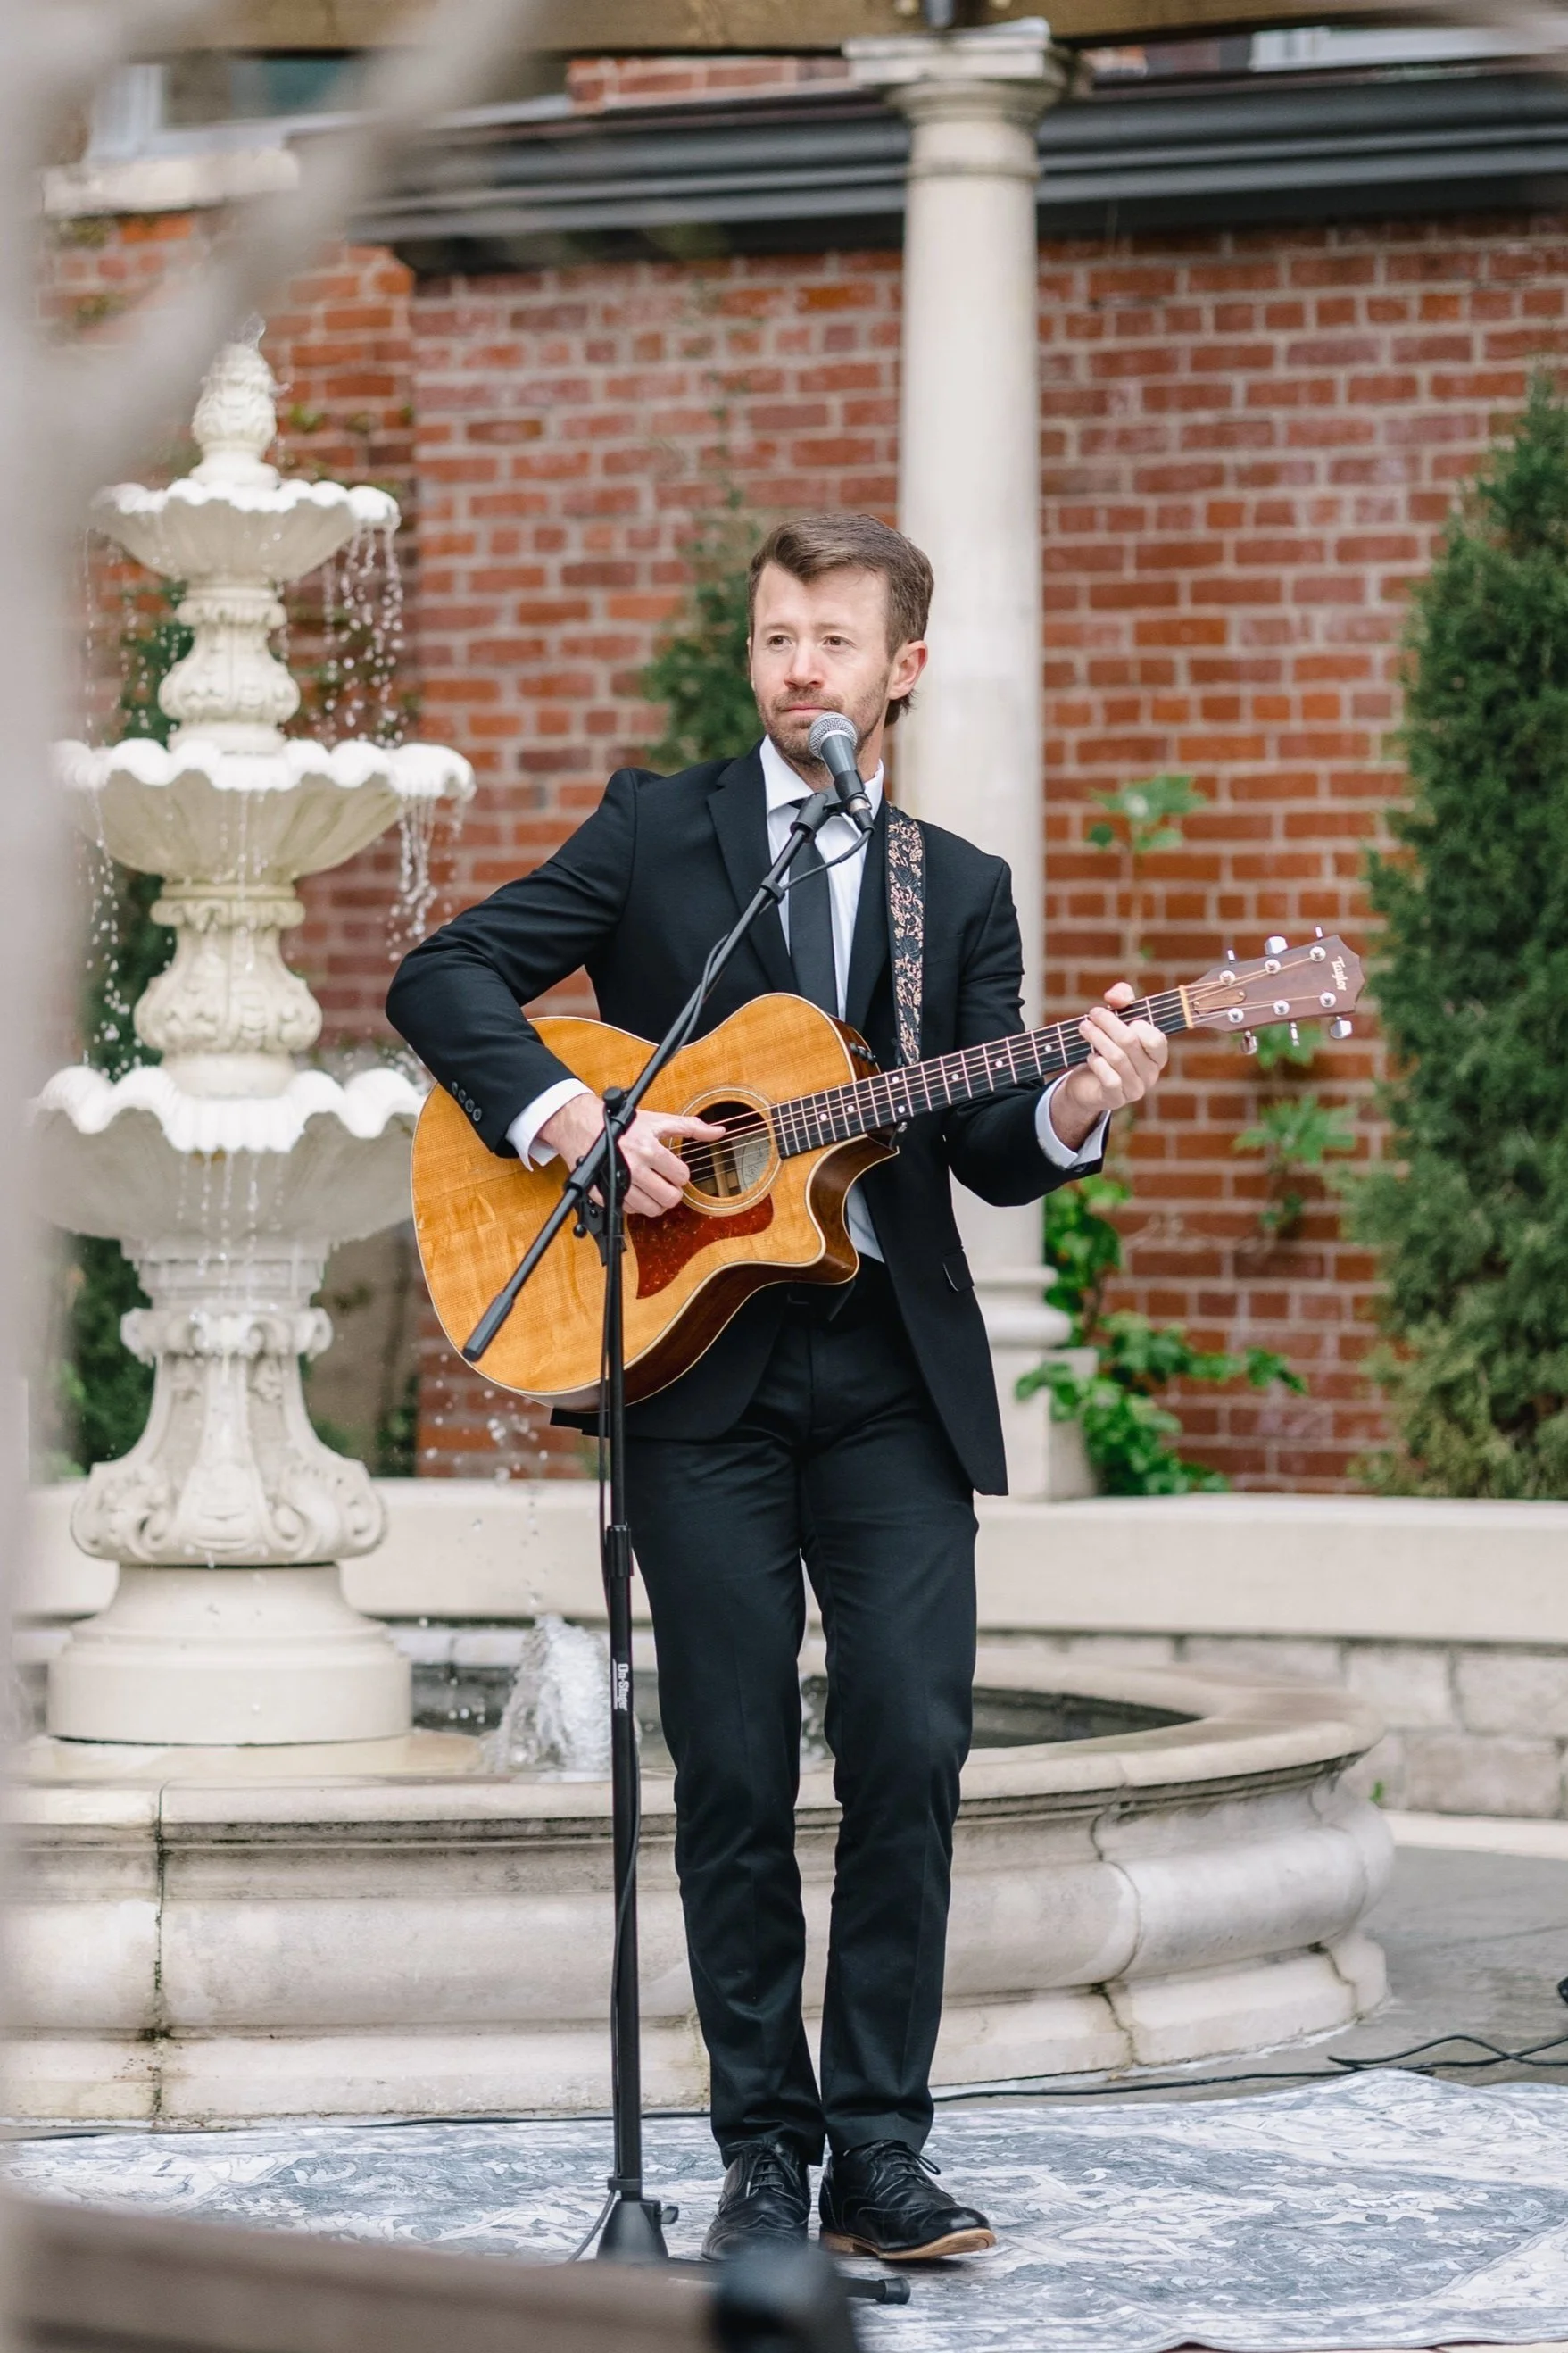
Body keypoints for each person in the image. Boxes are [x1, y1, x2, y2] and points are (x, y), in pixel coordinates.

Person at [386, 512, 1170, 2264]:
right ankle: (760, 2150)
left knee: (909, 1738)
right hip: (692, 1359)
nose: (795, 665)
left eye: (829, 638)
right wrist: (576, 1118)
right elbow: (437, 974)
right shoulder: (661, 828)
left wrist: (1078, 1098)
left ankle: (878, 2150)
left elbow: (981, 1140)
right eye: (771, 636)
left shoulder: (950, 888)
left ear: (900, 665)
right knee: (731, 1763)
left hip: (889, 1372)